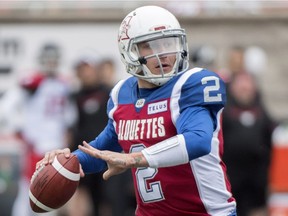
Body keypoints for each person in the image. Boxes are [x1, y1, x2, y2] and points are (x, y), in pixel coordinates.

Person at [37, 6, 237, 216]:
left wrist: (134, 159)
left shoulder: (191, 84)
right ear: (129, 50)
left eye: (169, 43)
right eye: (151, 46)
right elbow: (102, 151)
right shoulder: (121, 95)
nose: (164, 54)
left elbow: (198, 140)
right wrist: (67, 161)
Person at [9, 42, 77, 216]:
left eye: (53, 60)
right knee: (28, 192)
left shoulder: (63, 84)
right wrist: (18, 127)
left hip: (55, 147)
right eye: (48, 59)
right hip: (36, 146)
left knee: (49, 194)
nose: (50, 63)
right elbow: (9, 106)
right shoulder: (34, 81)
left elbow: (69, 118)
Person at [222, 72, 275, 216]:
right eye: (241, 84)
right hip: (230, 179)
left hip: (256, 181)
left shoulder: (261, 110)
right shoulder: (224, 111)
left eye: (248, 84)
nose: (245, 88)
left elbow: (269, 140)